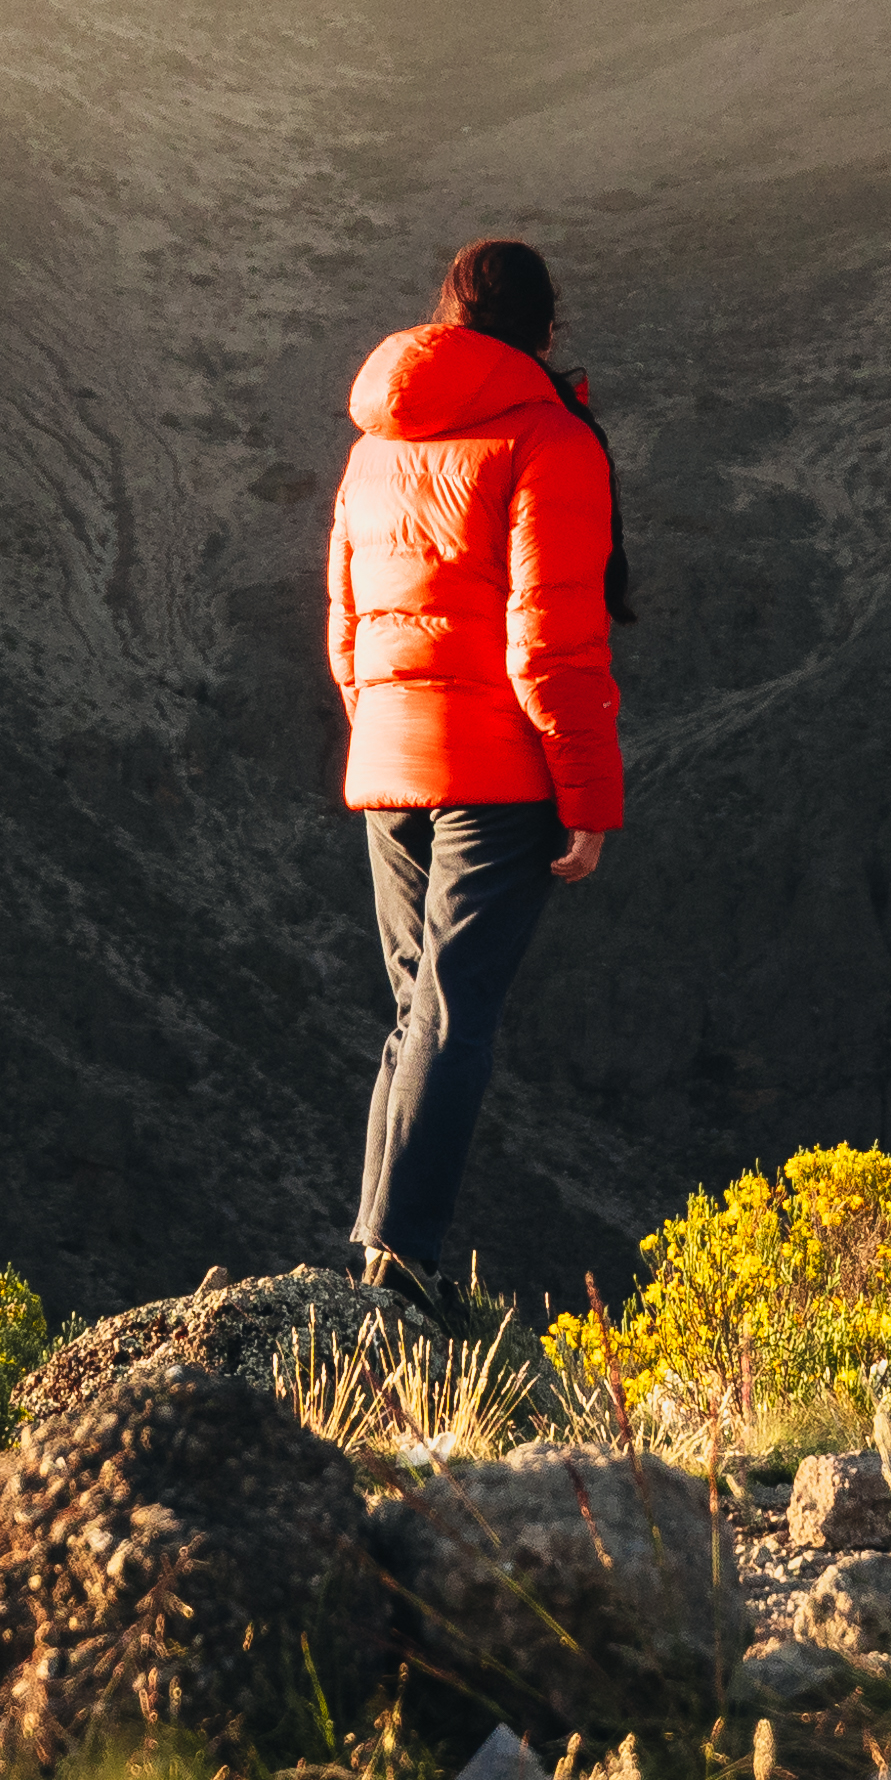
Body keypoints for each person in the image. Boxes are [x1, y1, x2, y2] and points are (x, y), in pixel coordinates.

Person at [324, 232, 624, 1285]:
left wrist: (378, 732)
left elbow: (347, 623)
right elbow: (549, 638)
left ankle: (371, 1245)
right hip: (497, 768)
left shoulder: (373, 446)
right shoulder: (551, 440)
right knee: (453, 1017)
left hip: (388, 761)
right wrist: (586, 794)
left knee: (414, 1010)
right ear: (545, 326)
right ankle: (400, 1260)